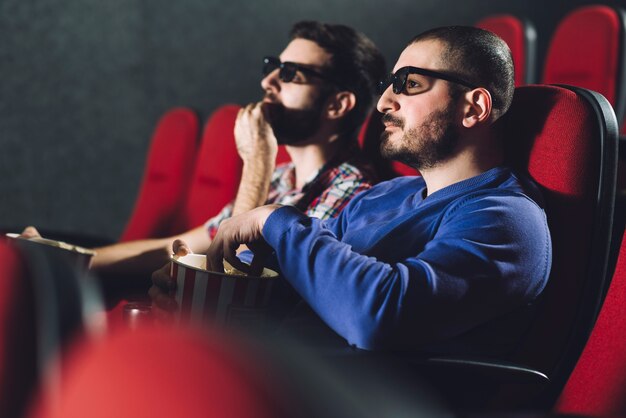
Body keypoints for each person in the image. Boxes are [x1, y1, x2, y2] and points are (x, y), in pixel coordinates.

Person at [156, 26, 552, 354]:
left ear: (475, 108)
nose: (383, 102)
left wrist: (276, 219)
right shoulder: (382, 197)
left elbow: (379, 315)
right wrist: (204, 295)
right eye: (388, 86)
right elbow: (297, 297)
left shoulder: (507, 219)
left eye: (409, 84)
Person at [22, 21, 387, 278]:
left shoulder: (354, 195)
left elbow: (234, 276)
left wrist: (257, 162)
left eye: (290, 74)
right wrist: (62, 258)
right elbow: (176, 246)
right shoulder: (282, 178)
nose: (267, 81)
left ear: (337, 105)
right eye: (272, 67)